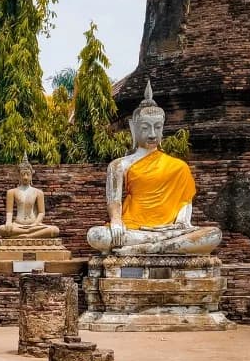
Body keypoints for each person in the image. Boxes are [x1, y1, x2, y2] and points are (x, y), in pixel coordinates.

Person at [86, 81, 222, 255]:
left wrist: (181, 225)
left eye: (157, 127)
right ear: (133, 128)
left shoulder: (179, 166)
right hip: (134, 229)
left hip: (169, 231)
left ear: (162, 129)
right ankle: (162, 246)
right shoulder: (119, 165)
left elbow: (184, 206)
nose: (152, 134)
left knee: (213, 234)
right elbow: (114, 201)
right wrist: (116, 222)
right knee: (97, 235)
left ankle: (149, 248)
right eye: (145, 128)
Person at [0, 152, 59, 239]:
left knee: (55, 230)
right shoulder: (11, 192)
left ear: (31, 176)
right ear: (18, 176)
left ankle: (25, 235)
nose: (25, 177)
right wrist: (8, 222)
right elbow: (9, 212)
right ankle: (29, 235)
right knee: (1, 229)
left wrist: (35, 224)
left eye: (28, 174)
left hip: (34, 225)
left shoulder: (38, 192)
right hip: (17, 225)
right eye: (23, 174)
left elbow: (41, 213)